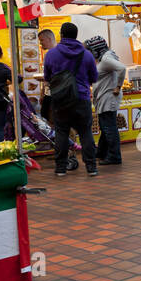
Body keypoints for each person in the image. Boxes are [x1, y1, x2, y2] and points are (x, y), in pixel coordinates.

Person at [43, 21, 99, 177]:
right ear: (76, 35)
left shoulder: (51, 54)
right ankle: (91, 167)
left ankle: (61, 168)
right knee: (85, 132)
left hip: (60, 100)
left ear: (61, 35)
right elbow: (94, 77)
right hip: (81, 98)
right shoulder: (86, 54)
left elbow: (47, 77)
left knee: (61, 132)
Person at [86, 35, 127, 165]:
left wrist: (118, 86)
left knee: (109, 128)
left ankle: (115, 156)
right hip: (105, 97)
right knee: (106, 127)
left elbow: (122, 68)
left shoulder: (107, 58)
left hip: (108, 97)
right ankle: (102, 153)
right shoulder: (105, 57)